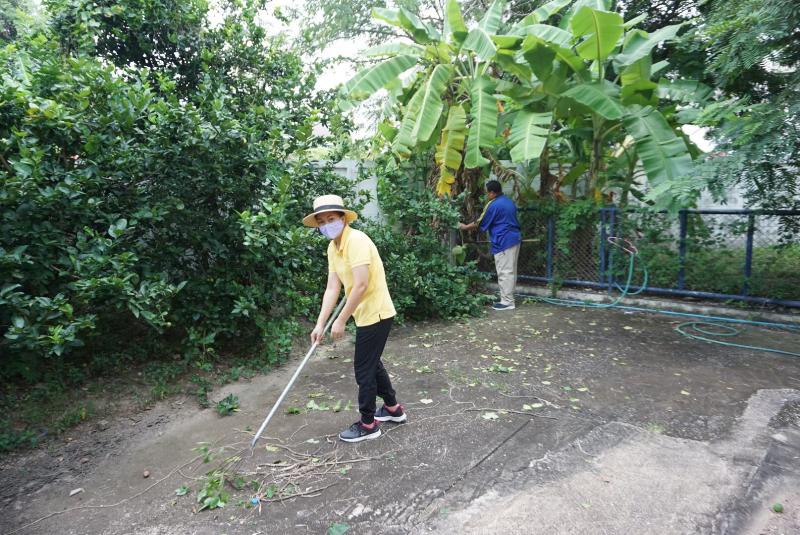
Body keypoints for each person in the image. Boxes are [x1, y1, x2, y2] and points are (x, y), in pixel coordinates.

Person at [303, 194, 406, 443]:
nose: (327, 224)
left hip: (376, 312)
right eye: (322, 221)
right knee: (373, 364)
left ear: (343, 218)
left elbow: (360, 286)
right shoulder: (333, 247)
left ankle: (368, 424)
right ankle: (393, 410)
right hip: (364, 313)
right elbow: (332, 288)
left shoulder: (356, 241)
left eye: (332, 218)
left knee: (364, 370)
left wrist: (340, 321)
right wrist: (320, 324)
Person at [459, 180, 522, 311]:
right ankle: (508, 299)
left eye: (488, 192)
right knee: (511, 270)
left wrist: (464, 227)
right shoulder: (508, 201)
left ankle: (507, 302)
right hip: (514, 238)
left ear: (492, 193)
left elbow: (479, 223)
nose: (487, 195)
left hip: (503, 240)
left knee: (505, 271)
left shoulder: (493, 205)